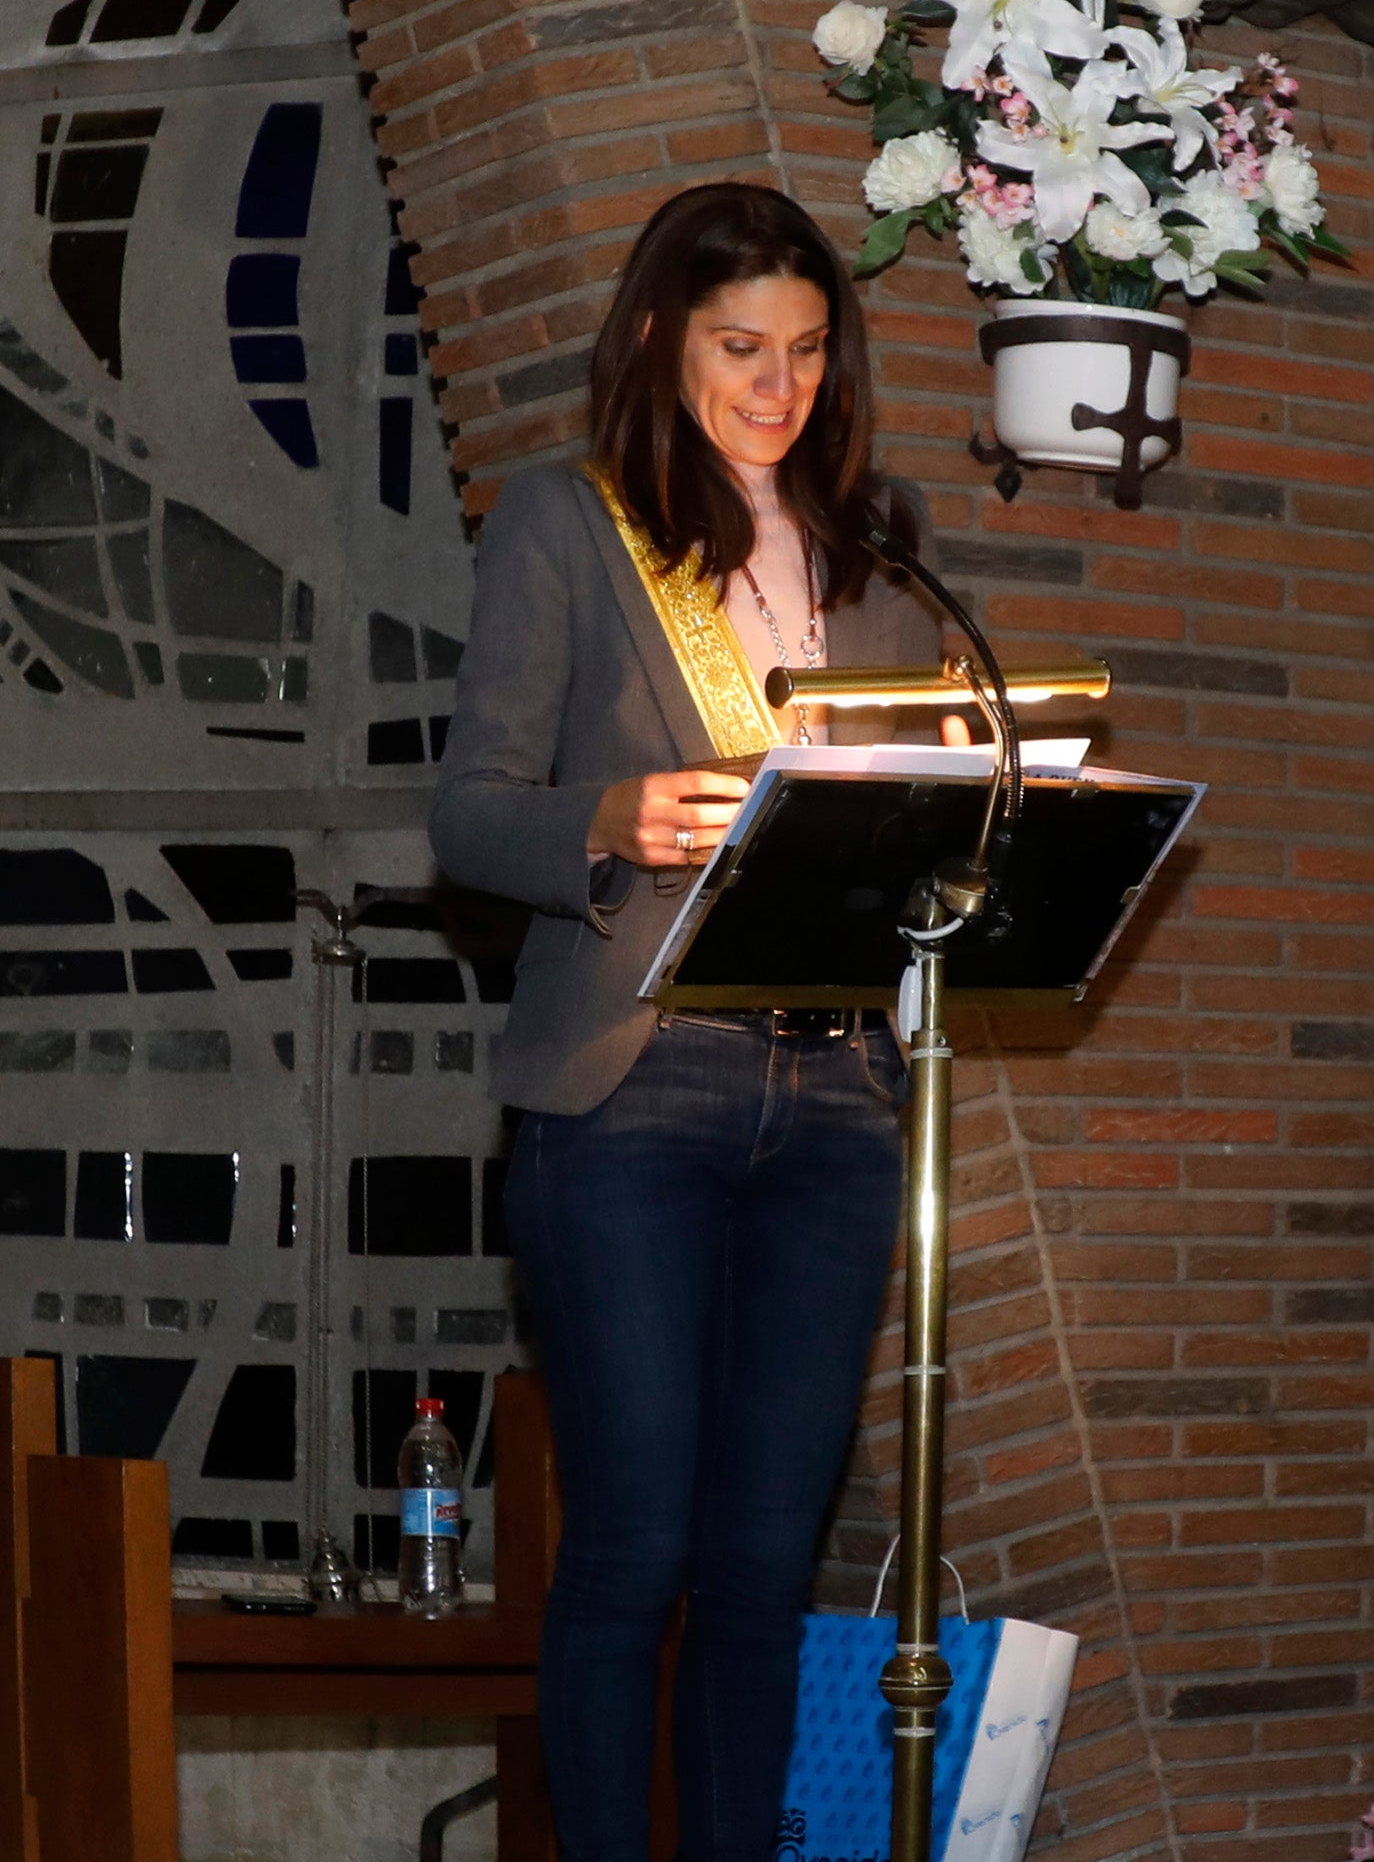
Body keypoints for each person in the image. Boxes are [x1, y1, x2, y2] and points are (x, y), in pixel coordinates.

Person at [428, 182, 943, 1862]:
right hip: (633, 1087)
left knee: (760, 1562)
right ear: (660, 337)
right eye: (740, 349)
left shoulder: (879, 558)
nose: (776, 387)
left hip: (837, 1103)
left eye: (803, 351)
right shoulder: (568, 523)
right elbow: (467, 816)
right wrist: (611, 814)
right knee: (635, 1545)